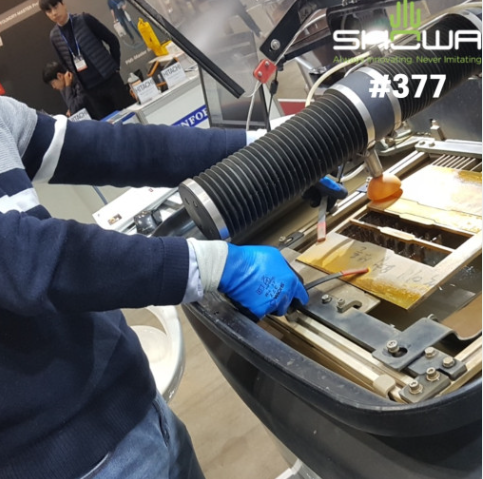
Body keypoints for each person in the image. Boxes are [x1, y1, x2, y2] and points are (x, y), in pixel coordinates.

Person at [0, 95, 308, 479]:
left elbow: (113, 150)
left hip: (133, 400)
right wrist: (217, 264)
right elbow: (28, 258)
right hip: (61, 457)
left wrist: (275, 152)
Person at [39, 0, 134, 120]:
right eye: (49, 11)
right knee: (109, 126)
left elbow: (112, 40)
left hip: (110, 80)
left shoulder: (84, 19)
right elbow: (65, 64)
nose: (54, 13)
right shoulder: (54, 36)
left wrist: (114, 66)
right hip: (90, 91)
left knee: (130, 117)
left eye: (55, 6)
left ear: (63, 4)